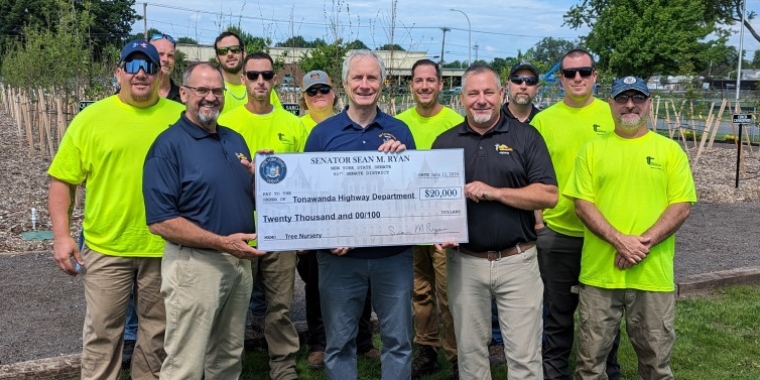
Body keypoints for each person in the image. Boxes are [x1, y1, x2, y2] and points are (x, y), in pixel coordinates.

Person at [47, 40, 184, 379]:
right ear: (118, 72)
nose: (141, 73)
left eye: (149, 66)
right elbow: (62, 181)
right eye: (133, 65)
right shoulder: (91, 119)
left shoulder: (180, 117)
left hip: (163, 246)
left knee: (157, 333)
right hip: (107, 247)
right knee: (102, 334)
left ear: (159, 72)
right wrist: (62, 237)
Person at [432, 64, 558, 380]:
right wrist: (438, 229)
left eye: (489, 92)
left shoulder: (526, 136)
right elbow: (433, 202)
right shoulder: (445, 143)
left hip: (517, 260)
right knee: (471, 358)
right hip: (465, 262)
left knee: (525, 358)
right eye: (473, 93)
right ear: (461, 98)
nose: (482, 100)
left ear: (501, 94)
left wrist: (496, 193)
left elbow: (548, 194)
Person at [566, 76, 696, 379]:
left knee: (655, 365)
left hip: (652, 276)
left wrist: (639, 245)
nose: (629, 105)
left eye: (637, 98)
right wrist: (618, 240)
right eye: (622, 99)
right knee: (589, 365)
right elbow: (582, 204)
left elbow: (681, 206)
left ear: (649, 104)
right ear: (610, 104)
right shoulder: (591, 151)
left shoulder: (670, 151)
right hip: (599, 275)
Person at [142, 62, 265, 379]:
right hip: (195, 265)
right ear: (184, 93)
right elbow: (161, 221)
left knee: (227, 356)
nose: (211, 97)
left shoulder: (234, 140)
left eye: (217, 91)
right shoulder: (168, 146)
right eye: (202, 90)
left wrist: (264, 182)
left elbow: (244, 196)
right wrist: (221, 243)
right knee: (186, 362)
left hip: (238, 263)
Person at [304, 50, 416, 380]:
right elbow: (308, 198)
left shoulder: (400, 132)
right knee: (339, 343)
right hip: (340, 259)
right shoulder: (323, 135)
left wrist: (404, 160)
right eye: (358, 77)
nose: (364, 84)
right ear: (345, 83)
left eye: (372, 78)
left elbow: (413, 195)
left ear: (382, 83)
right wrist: (326, 236)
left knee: (398, 340)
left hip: (392, 257)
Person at [530, 48, 621, 380]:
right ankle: (554, 372)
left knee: (605, 313)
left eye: (585, 71)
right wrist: (539, 222)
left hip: (604, 235)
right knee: (557, 312)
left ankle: (608, 370)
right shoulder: (544, 120)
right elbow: (531, 174)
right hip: (558, 233)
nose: (578, 78)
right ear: (561, 78)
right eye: (570, 73)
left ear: (595, 75)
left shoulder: (612, 115)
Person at [217, 51, 303, 380]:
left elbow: (306, 179)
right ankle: (228, 367)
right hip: (240, 225)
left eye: (267, 75)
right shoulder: (226, 125)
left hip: (281, 226)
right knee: (234, 304)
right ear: (243, 79)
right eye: (253, 75)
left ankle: (283, 367)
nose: (260, 81)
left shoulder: (292, 124)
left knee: (280, 305)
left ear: (275, 78)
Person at [295, 69, 380, 369]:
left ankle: (363, 341)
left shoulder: (352, 124)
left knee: (363, 284)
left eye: (323, 90)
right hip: (320, 221)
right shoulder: (299, 127)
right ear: (304, 98)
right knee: (317, 287)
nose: (319, 96)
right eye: (312, 92)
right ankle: (319, 344)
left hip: (357, 219)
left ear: (335, 91)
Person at [395, 58, 463, 379]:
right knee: (420, 293)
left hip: (443, 225)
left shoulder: (454, 122)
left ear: (440, 85)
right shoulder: (398, 124)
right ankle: (426, 348)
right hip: (409, 224)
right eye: (418, 81)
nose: (424, 86)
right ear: (411, 85)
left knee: (449, 294)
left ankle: (456, 355)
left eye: (430, 81)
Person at [488, 60, 544, 367]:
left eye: (530, 81)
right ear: (508, 86)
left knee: (535, 284)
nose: (523, 85)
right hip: (500, 213)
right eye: (518, 80)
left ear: (537, 87)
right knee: (497, 279)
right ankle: (498, 340)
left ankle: (536, 341)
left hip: (538, 216)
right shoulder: (493, 118)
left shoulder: (543, 122)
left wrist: (540, 214)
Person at [214, 31, 281, 114]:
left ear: (244, 53)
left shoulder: (264, 89)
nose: (230, 54)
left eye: (235, 49)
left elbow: (279, 120)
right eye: (223, 51)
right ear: (217, 58)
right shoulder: (213, 92)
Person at [150, 33, 182, 103]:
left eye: (170, 55)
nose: (166, 59)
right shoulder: (136, 94)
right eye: (160, 54)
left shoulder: (184, 98)